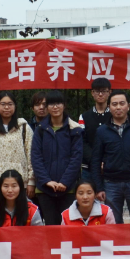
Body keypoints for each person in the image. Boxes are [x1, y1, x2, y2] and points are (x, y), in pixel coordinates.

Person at [92, 90, 130, 224]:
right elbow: (95, 160)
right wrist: (99, 187)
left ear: (128, 106)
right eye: (114, 104)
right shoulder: (102, 131)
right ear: (109, 107)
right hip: (111, 183)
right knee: (113, 224)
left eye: (122, 103)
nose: (118, 107)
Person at [31, 90, 84, 225]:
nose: (55, 107)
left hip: (68, 188)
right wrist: (46, 181)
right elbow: (36, 157)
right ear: (47, 107)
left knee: (68, 225)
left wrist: (65, 182)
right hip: (44, 189)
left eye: (58, 103)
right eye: (51, 104)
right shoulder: (40, 129)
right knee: (50, 226)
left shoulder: (74, 129)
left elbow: (76, 158)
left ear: (64, 105)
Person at [0, 91, 34, 211]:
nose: (6, 107)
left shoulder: (24, 127)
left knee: (21, 215)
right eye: (3, 104)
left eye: (10, 104)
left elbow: (31, 155)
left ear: (15, 106)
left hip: (20, 182)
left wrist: (31, 181)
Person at [79, 78, 113, 184]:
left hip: (112, 167)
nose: (100, 94)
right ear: (92, 93)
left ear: (109, 92)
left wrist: (106, 161)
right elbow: (81, 141)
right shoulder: (84, 116)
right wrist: (95, 161)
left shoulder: (115, 116)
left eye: (104, 91)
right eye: (97, 91)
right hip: (88, 168)